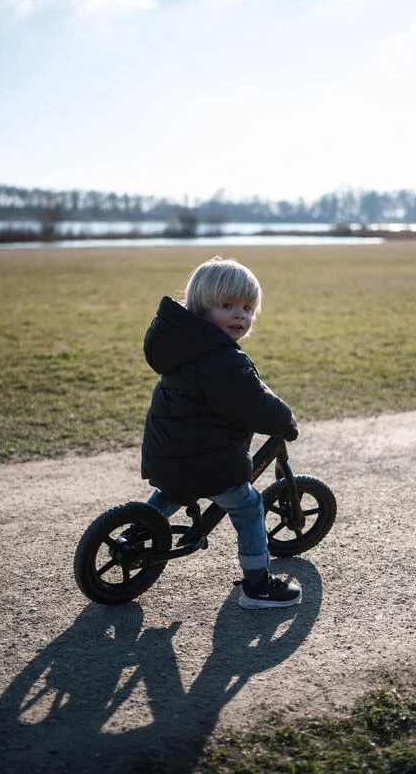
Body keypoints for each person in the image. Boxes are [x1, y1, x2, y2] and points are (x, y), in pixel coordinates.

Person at [141, 256, 301, 609]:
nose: (240, 315)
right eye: (227, 306)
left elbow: (245, 391)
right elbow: (252, 405)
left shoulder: (184, 348)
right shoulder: (223, 360)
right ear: (202, 308)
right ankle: (257, 586)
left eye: (247, 308)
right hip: (207, 464)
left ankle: (135, 534)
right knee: (249, 505)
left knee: (172, 490)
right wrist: (283, 419)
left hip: (166, 455)